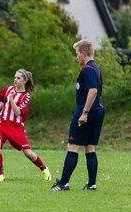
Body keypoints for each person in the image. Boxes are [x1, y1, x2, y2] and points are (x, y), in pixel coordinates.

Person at [51, 39, 105, 191]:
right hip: (98, 111)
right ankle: (91, 184)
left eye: (77, 54)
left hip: (87, 111)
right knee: (89, 147)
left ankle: (63, 184)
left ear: (83, 53)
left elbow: (93, 91)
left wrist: (84, 112)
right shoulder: (96, 68)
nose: (76, 57)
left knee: (72, 146)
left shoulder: (87, 69)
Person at [0, 69, 52, 182]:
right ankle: (1, 175)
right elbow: (2, 103)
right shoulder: (8, 89)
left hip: (16, 127)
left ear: (25, 81)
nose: (15, 80)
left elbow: (18, 112)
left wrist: (12, 98)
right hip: (1, 123)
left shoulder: (26, 96)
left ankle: (44, 168)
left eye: (18, 78)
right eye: (15, 77)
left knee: (28, 153)